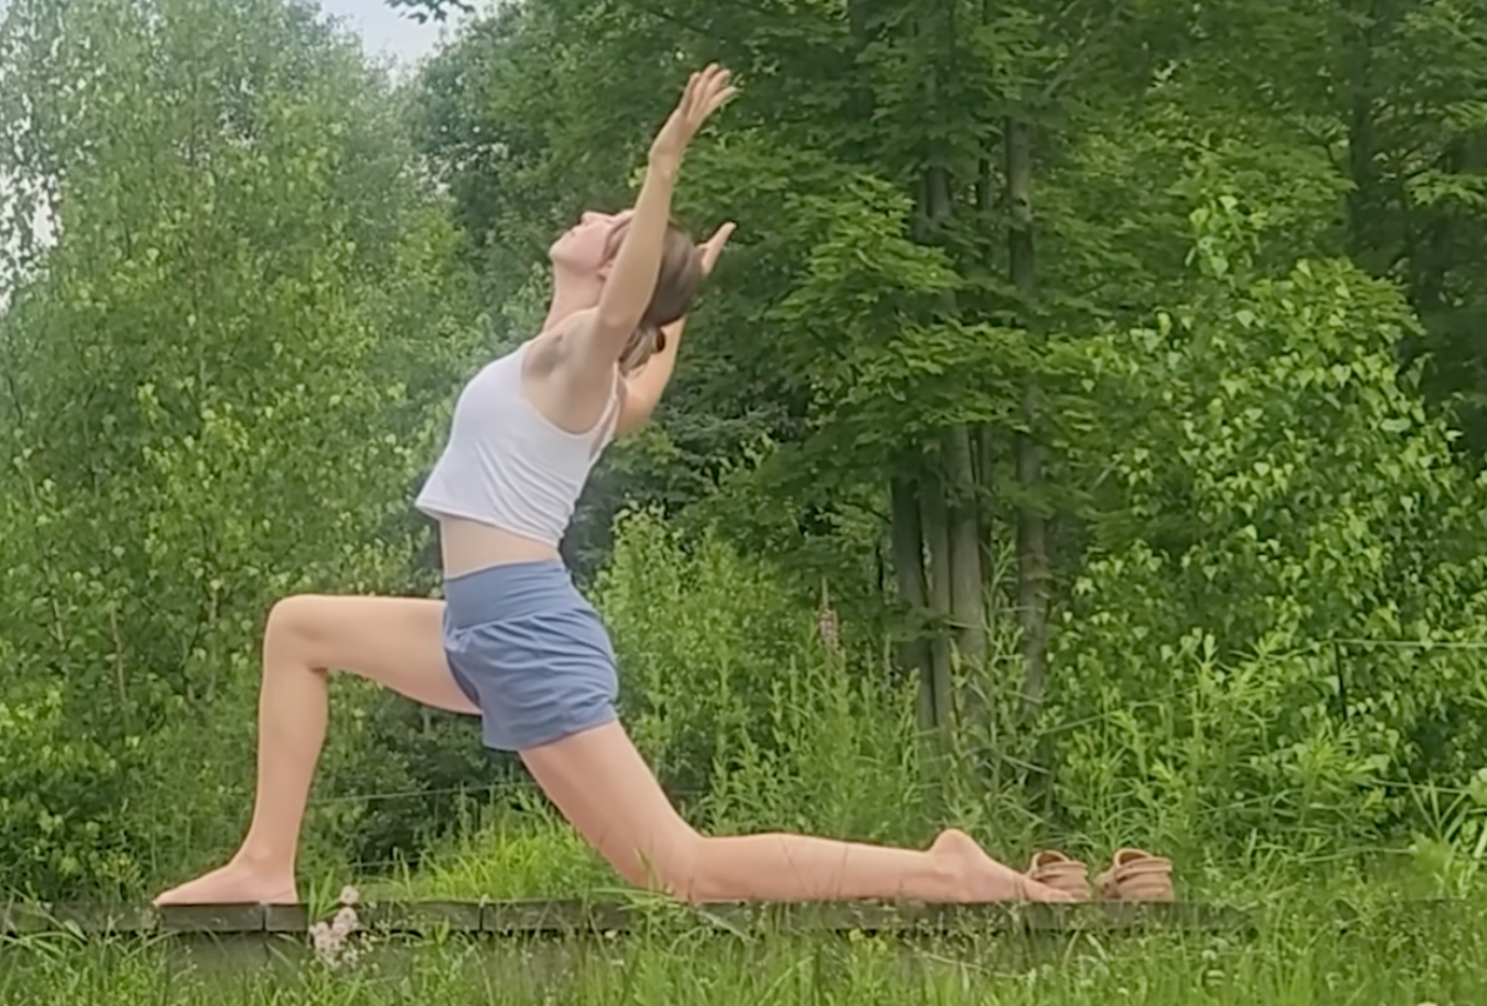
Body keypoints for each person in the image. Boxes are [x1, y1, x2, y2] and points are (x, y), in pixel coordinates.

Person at [154, 64, 1077, 908]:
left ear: (609, 271)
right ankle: (266, 862)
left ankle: (942, 871)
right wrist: (685, 297)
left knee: (683, 870)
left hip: (521, 630)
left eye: (611, 225)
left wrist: (665, 164)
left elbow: (627, 313)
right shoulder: (594, 384)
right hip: (476, 626)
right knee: (298, 628)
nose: (593, 215)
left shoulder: (577, 360)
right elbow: (646, 350)